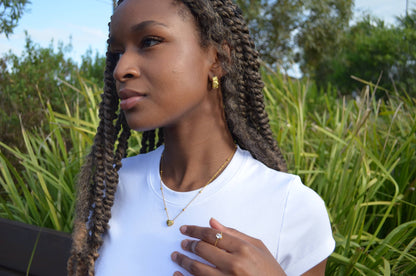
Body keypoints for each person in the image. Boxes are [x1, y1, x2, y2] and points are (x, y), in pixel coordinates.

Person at [67, 0, 335, 275]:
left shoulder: (292, 208)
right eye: (117, 52)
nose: (120, 69)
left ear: (218, 59)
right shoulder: (112, 188)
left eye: (149, 42)